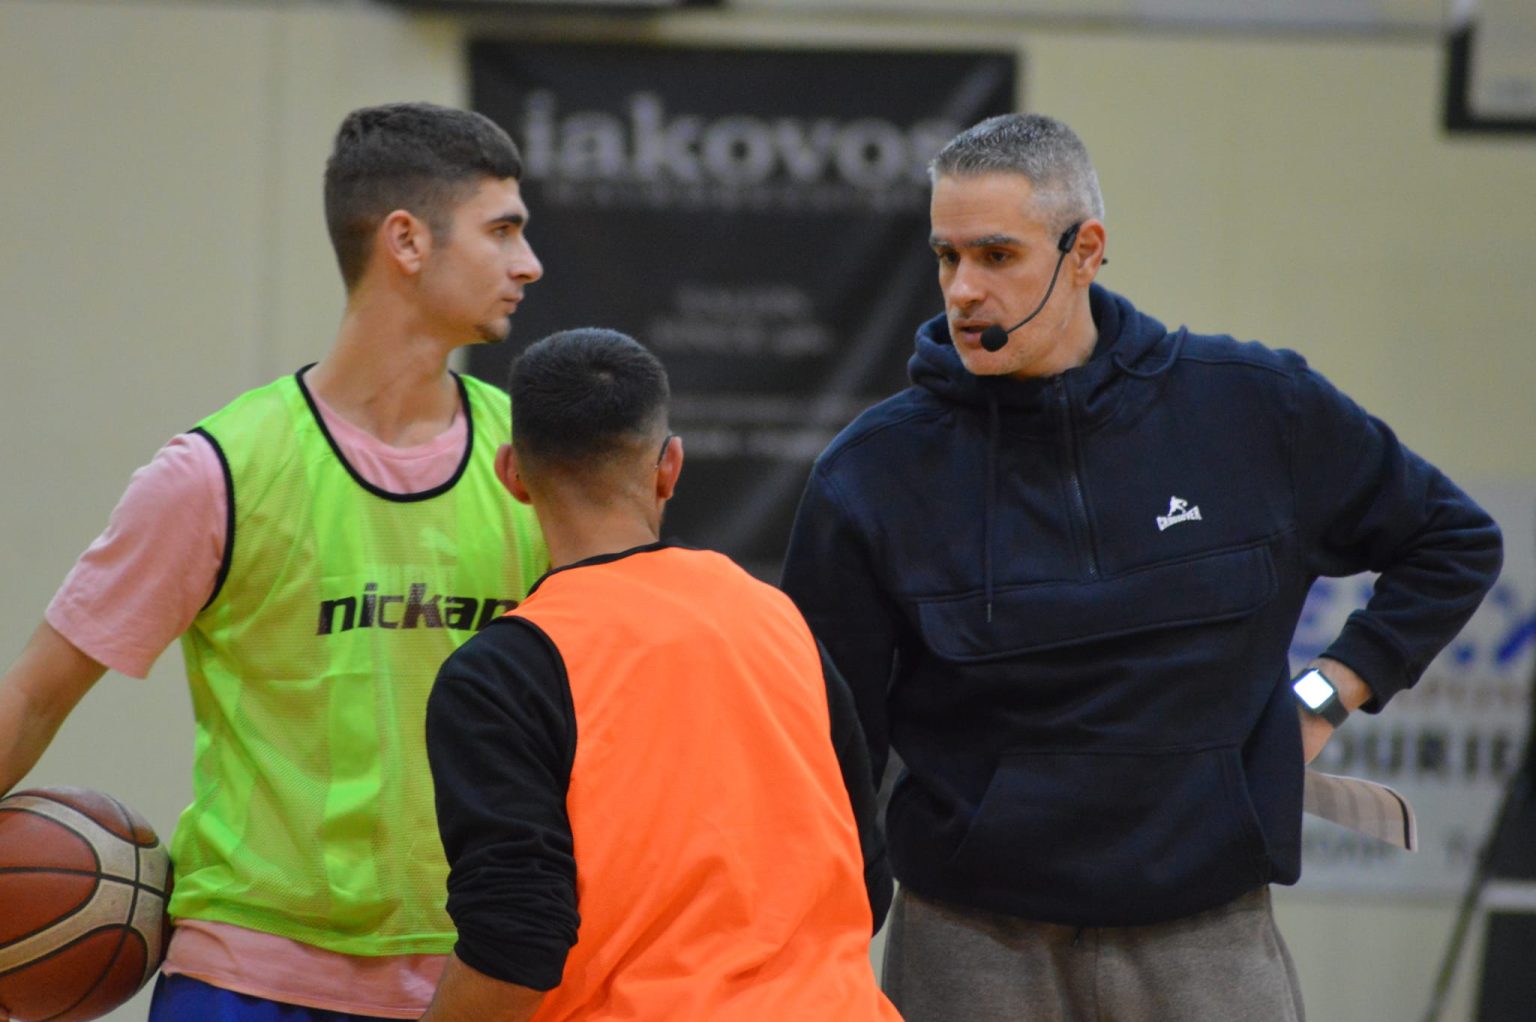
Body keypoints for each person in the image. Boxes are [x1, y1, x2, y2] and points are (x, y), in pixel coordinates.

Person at [780, 112, 1504, 1021]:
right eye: (946, 256)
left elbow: (1452, 541)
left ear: (1084, 251)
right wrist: (821, 948)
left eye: (997, 256)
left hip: (1209, 935)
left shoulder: (1253, 410)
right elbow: (825, 744)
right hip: (967, 943)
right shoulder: (871, 473)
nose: (962, 290)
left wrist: (1323, 697)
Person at [0, 102, 548, 1020]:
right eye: (502, 231)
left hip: (471, 980)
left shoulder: (535, 463)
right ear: (406, 241)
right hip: (249, 977)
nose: (528, 264)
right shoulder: (218, 471)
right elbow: (35, 694)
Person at [419, 328, 900, 1022]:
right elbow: (867, 883)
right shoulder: (781, 622)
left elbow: (516, 940)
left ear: (512, 473)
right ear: (669, 466)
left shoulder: (501, 673)